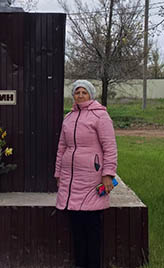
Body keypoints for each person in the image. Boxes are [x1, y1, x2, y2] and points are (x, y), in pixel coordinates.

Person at [54, 80, 118, 268]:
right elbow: (61, 147)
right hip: (71, 179)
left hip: (92, 178)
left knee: (92, 228)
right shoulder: (68, 118)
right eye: (77, 92)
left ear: (91, 94)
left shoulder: (101, 116)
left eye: (84, 92)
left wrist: (108, 174)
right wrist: (58, 174)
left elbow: (110, 147)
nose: (80, 95)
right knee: (77, 228)